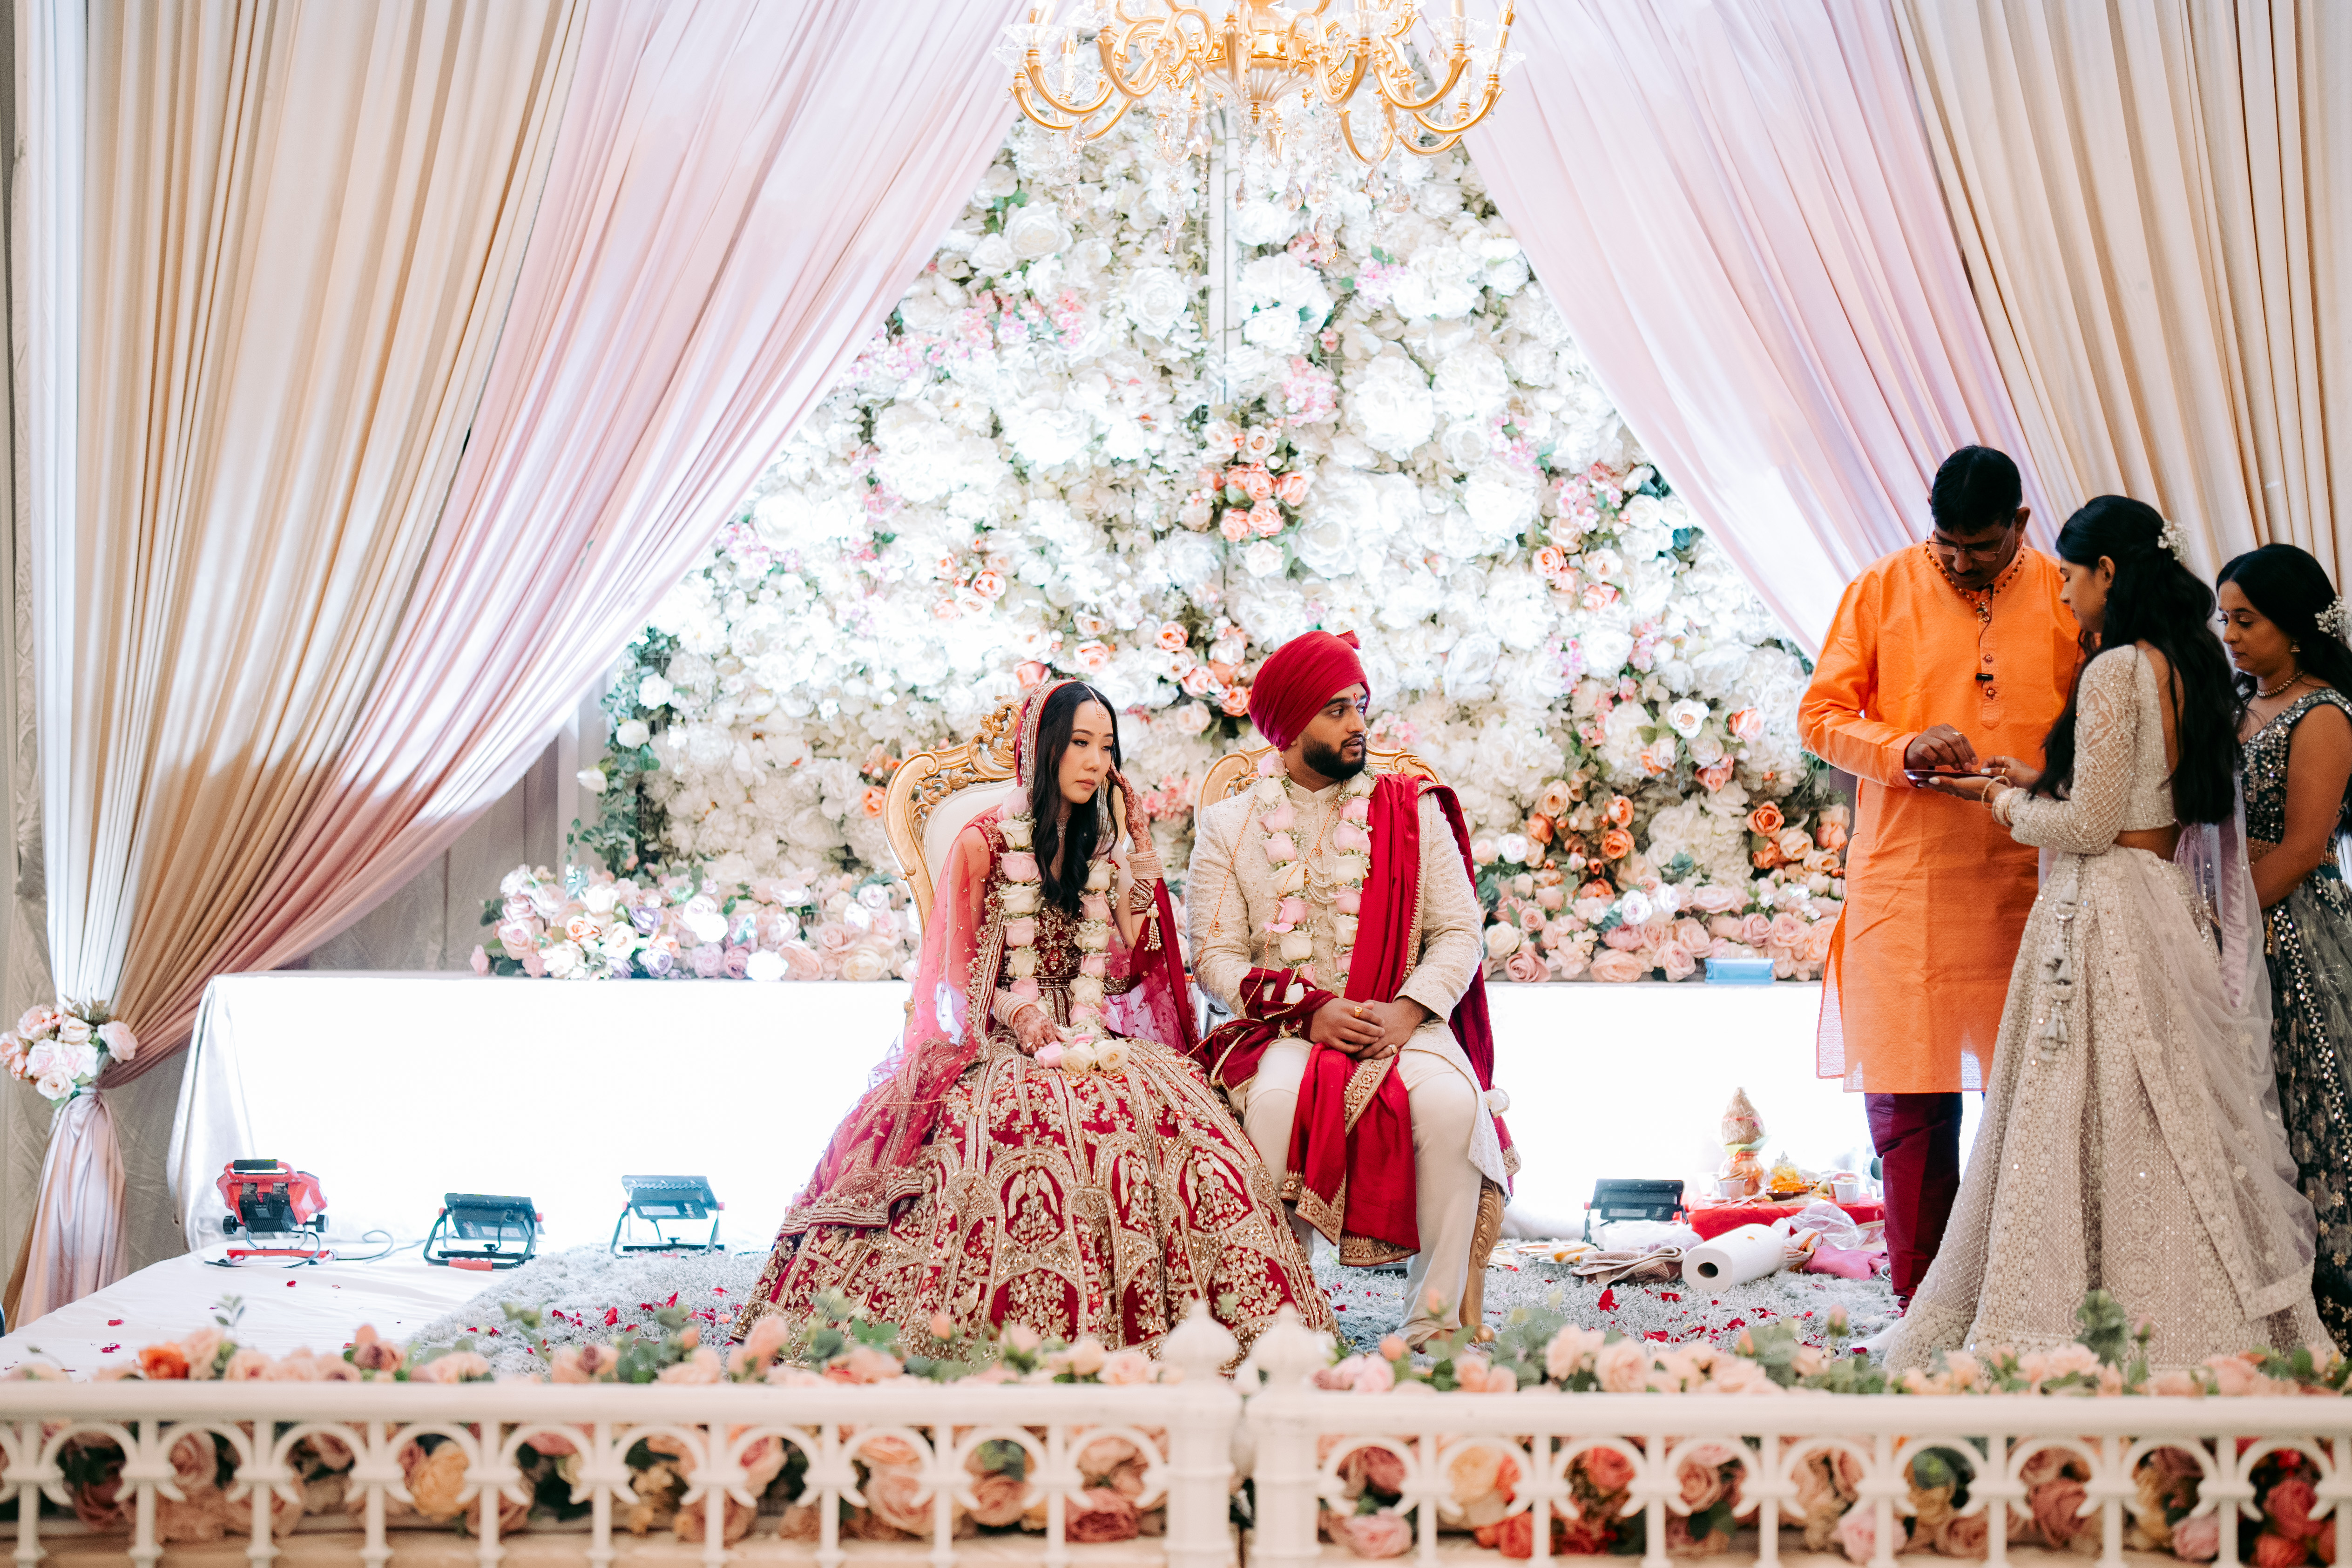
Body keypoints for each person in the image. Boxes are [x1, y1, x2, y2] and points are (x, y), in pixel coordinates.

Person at [732, 679, 1334, 1355]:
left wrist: (1139, 847)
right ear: (1045, 748)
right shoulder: (983, 843)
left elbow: (1131, 952)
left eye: (1106, 748)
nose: (1096, 762)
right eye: (1080, 744)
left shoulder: (1098, 844)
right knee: (1029, 1129)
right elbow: (959, 975)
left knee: (1179, 1126)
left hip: (1089, 1030)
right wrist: (1021, 1014)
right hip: (1000, 1040)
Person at [1884, 497, 2326, 1370]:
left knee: (2075, 1111)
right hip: (2162, 898)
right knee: (2159, 1114)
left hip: (2102, 908)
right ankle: (2181, 1304)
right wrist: (2036, 781)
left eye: (2071, 577)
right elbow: (2141, 800)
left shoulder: (2115, 668)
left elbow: (2088, 829)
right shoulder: (2189, 661)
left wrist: (1998, 800)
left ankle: (2063, 1314)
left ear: (2109, 573)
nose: (2064, 594)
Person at [1799, 446, 2078, 1305]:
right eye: (1947, 545)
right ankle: (1922, 1301)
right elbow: (1821, 716)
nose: (1960, 563)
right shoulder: (1881, 588)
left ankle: (2026, 1293)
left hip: (2030, 878)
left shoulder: (2065, 597)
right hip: (1910, 882)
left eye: (1982, 547)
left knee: (2035, 1095)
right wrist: (1902, 746)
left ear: (2020, 523)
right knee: (1911, 1098)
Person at [1184, 629, 1513, 1347]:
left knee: (1453, 1107)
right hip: (1285, 1027)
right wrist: (1309, 1012)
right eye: (1336, 710)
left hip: (1403, 1018)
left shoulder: (1412, 811)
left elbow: (1460, 931)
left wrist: (1409, 1010)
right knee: (1275, 1105)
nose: (1358, 723)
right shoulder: (1230, 826)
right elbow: (1213, 956)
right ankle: (1276, 1320)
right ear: (1289, 725)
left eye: (1360, 705)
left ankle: (1433, 1323)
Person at [2219, 544, 2352, 1354]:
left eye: (2247, 620)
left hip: (2294, 929)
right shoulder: (2237, 704)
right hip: (2236, 915)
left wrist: (2223, 924)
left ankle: (2332, 1306)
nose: (2230, 635)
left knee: (2310, 1103)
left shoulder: (2324, 713)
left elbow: (2304, 846)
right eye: (2225, 618)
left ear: (2295, 629)